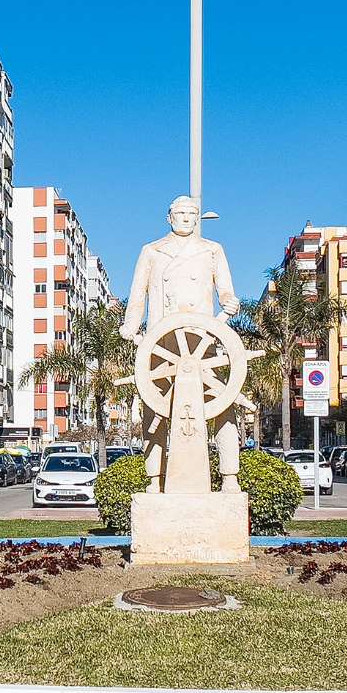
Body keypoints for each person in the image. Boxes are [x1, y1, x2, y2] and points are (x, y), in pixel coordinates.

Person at [119, 194, 242, 493]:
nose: (186, 218)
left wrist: (229, 302)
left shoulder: (212, 250)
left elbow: (225, 289)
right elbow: (138, 295)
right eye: (180, 213)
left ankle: (230, 477)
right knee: (154, 409)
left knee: (224, 405)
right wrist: (131, 324)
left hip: (203, 340)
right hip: (162, 340)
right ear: (169, 217)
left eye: (191, 213)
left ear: (197, 218)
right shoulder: (152, 251)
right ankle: (154, 480)